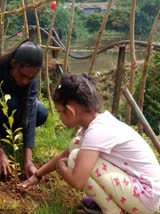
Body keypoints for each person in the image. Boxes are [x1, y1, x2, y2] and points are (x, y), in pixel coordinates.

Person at [18, 73, 160, 213]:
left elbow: (77, 181)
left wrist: (61, 166)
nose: (59, 116)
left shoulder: (97, 131)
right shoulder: (94, 125)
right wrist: (37, 175)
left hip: (146, 197)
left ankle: (114, 211)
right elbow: (64, 153)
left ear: (70, 111)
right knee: (76, 145)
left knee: (75, 158)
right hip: (144, 191)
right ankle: (113, 204)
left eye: (60, 111)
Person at [0, 39, 48, 179]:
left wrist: (28, 159)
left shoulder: (31, 77)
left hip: (16, 112)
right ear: (14, 64)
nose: (26, 81)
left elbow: (31, 114)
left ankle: (10, 134)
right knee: (11, 103)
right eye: (23, 76)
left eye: (31, 78)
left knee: (41, 112)